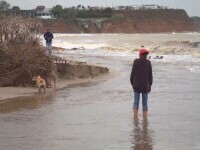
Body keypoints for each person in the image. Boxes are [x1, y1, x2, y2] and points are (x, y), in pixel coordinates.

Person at [130, 48, 153, 119]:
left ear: (140, 54)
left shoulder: (136, 62)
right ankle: (145, 119)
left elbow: (132, 75)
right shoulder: (148, 63)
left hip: (136, 85)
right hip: (145, 86)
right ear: (146, 55)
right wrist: (149, 85)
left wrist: (133, 84)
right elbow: (150, 76)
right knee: (145, 103)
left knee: (136, 102)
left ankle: (135, 118)